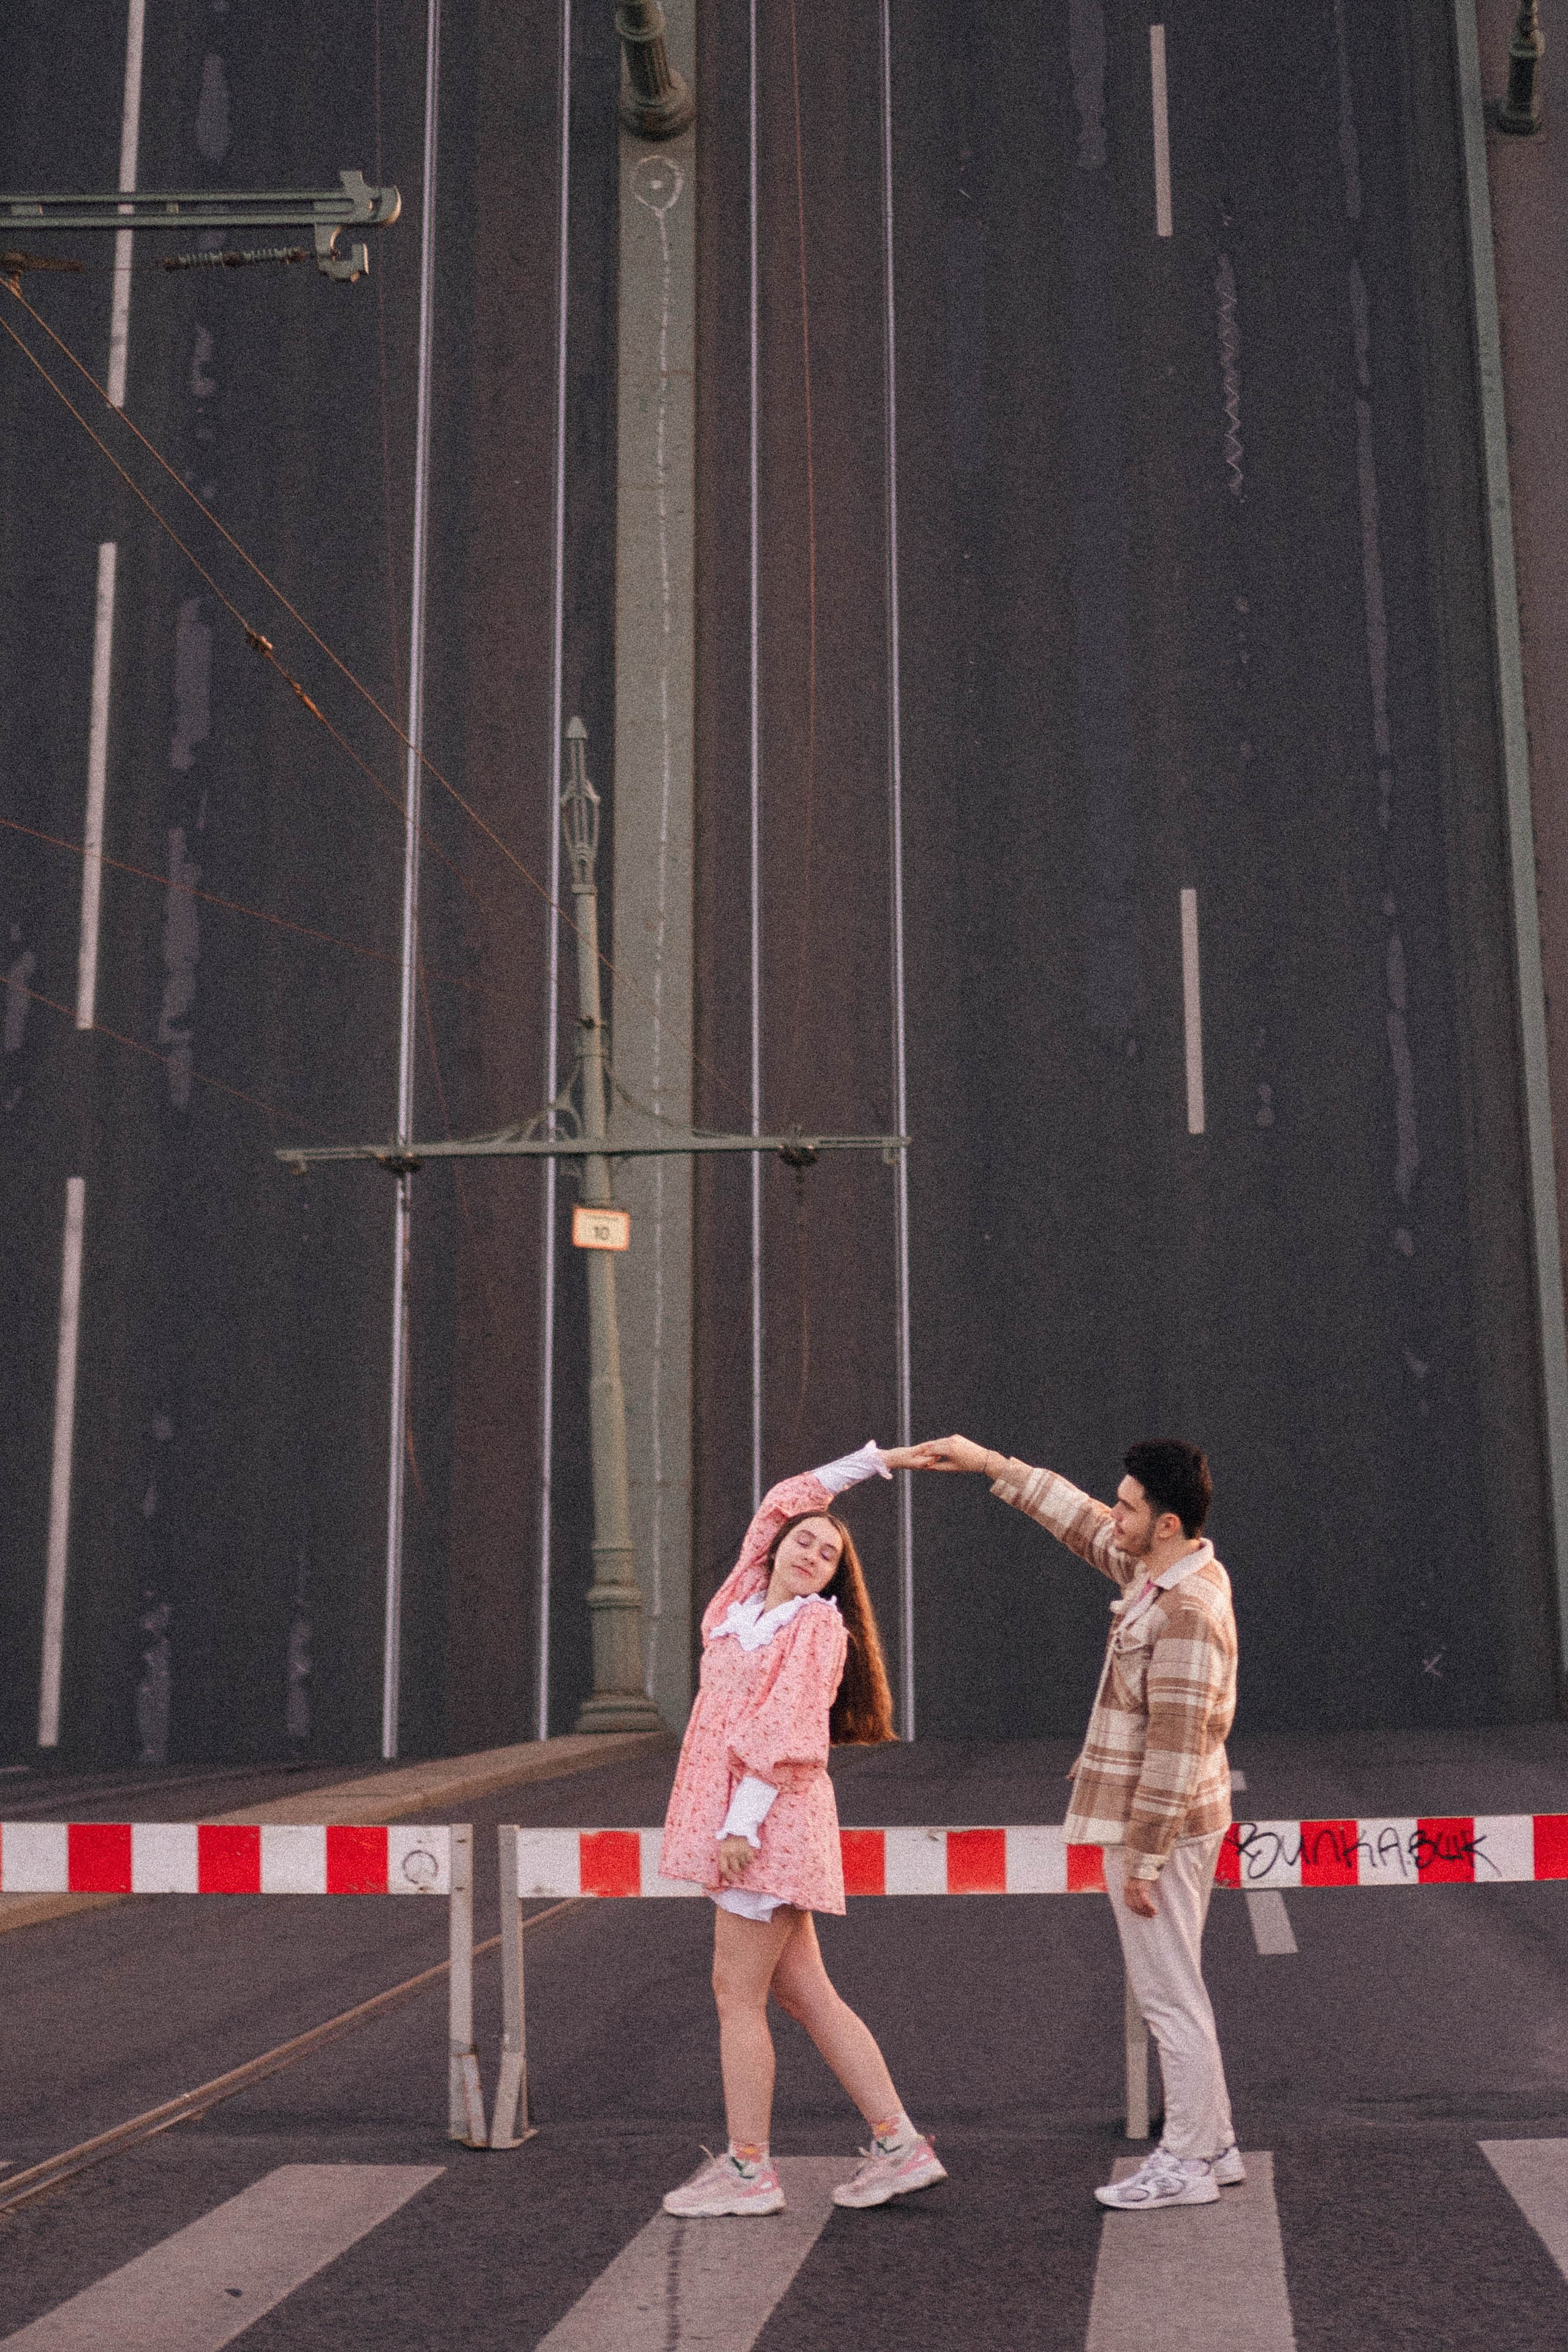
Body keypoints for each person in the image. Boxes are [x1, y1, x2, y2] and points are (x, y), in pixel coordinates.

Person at [908, 1432, 1242, 2211]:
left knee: (1169, 1999)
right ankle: (1214, 2144)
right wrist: (990, 1464)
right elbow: (1076, 1518)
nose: (1112, 1515)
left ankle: (1188, 2158)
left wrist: (1146, 1859)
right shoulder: (1161, 1570)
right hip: (1166, 1824)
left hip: (1160, 1829)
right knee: (1175, 1989)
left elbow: (1175, 1749)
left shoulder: (1187, 1607)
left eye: (1128, 1506)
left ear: (1166, 1523)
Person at [659, 1441, 948, 2218]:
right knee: (808, 1996)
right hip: (758, 1827)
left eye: (829, 1553)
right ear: (778, 1546)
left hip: (766, 1828)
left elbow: (785, 1729)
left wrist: (739, 1828)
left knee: (735, 1996)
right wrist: (882, 1460)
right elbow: (785, 1496)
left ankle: (750, 2170)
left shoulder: (817, 1629)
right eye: (805, 1541)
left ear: (834, 1578)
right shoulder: (739, 1609)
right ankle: (899, 2146)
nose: (814, 1552)